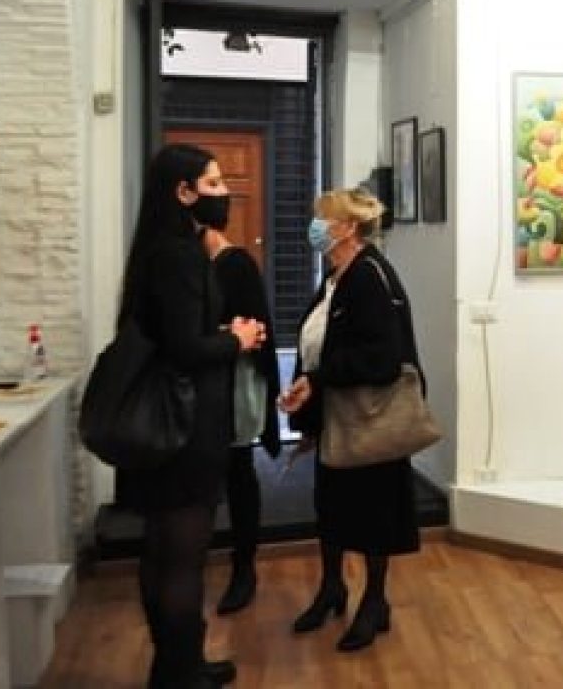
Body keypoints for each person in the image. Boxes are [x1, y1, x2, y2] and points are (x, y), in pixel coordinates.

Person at [114, 144, 266, 688]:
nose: (225, 194)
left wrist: (218, 335)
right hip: (183, 427)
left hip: (162, 423)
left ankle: (174, 666)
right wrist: (236, 339)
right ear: (183, 192)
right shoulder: (179, 256)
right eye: (214, 183)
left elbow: (170, 336)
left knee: (162, 550)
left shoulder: (155, 249)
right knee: (180, 556)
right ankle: (180, 673)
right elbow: (184, 348)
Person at [280, 188, 425, 653]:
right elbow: (320, 342)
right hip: (337, 418)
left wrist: (318, 379)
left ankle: (375, 601)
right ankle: (332, 589)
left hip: (370, 419)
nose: (315, 227)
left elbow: (381, 357)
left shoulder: (368, 276)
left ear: (346, 228)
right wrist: (306, 387)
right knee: (333, 507)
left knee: (373, 512)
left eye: (322, 219)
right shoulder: (335, 276)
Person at [200, 216, 282, 615]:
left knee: (238, 474)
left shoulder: (236, 265)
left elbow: (256, 331)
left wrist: (223, 334)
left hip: (232, 388)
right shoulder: (191, 267)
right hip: (201, 388)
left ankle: (243, 567)